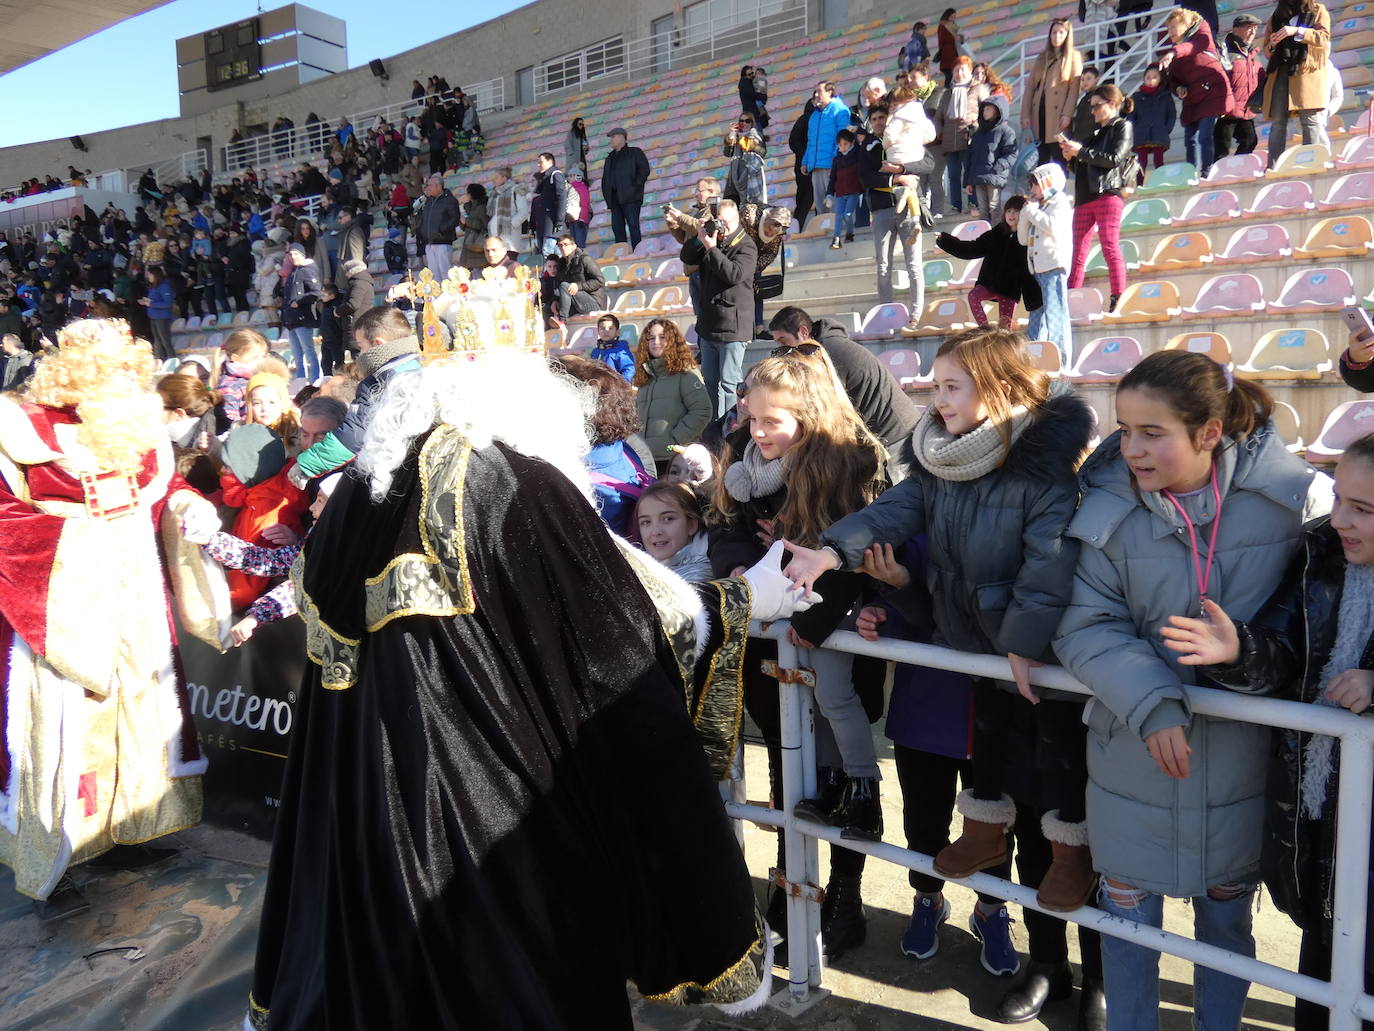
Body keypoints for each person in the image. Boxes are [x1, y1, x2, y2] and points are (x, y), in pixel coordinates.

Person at [244, 310, 826, 1028]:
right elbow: (615, 633)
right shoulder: (512, 475)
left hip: (365, 798)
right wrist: (740, 601)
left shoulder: (367, 484)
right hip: (486, 801)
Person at [1053, 350, 1331, 1031]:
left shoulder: (1293, 503)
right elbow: (1086, 625)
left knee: (1228, 930)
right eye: (1123, 429)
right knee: (1127, 934)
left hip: (1240, 766)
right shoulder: (1109, 504)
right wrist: (1151, 702)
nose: (1132, 448)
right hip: (1129, 760)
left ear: (1208, 431)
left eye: (1153, 432)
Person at [0, 320, 222, 914]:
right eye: (113, 367)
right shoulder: (21, 427)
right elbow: (7, 519)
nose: (126, 378)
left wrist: (188, 506)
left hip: (136, 594)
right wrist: (84, 539)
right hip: (64, 597)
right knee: (68, 719)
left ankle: (129, 829)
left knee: (138, 704)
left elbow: (164, 487)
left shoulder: (136, 425)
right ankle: (61, 852)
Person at [766, 306, 921, 483]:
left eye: (783, 342)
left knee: (899, 504)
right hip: (892, 434)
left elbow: (825, 415)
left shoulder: (827, 356)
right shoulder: (828, 347)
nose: (782, 351)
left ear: (803, 332)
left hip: (896, 437)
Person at [290, 305, 422, 482]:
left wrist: (307, 465)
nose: (360, 354)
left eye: (361, 346)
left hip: (401, 470)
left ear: (377, 344)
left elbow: (355, 434)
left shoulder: (378, 382)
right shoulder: (426, 366)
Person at [1062, 83, 1135, 314]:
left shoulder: (1122, 126)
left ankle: (1118, 297)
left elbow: (1114, 159)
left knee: (1109, 247)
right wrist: (1071, 158)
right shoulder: (1095, 133)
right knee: (1078, 253)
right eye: (1091, 106)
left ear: (1112, 104)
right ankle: (1070, 298)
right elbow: (1086, 166)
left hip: (1107, 194)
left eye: (1096, 105)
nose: (1092, 110)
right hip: (1084, 196)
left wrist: (1080, 152)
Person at [681, 198, 756, 419]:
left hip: (733, 326)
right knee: (710, 383)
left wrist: (711, 248)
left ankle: (731, 427)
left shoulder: (747, 245)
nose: (719, 227)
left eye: (723, 222)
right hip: (709, 325)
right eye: (717, 222)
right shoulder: (712, 239)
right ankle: (712, 428)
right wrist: (699, 236)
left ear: (736, 220)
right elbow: (686, 257)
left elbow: (733, 274)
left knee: (729, 383)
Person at [861, 102, 929, 332]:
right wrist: (896, 180)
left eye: (882, 117)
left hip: (908, 208)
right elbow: (865, 176)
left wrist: (900, 169)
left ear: (890, 119)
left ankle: (915, 314)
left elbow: (928, 162)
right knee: (883, 265)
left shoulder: (905, 136)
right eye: (875, 119)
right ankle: (886, 313)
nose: (879, 122)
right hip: (881, 210)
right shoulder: (868, 145)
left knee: (914, 264)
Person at [935, 196, 1042, 329]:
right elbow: (972, 249)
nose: (1012, 214)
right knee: (973, 296)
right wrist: (945, 240)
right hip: (989, 284)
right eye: (1008, 211)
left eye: (1016, 211)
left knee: (1004, 328)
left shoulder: (1028, 235)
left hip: (1009, 289)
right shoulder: (997, 232)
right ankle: (985, 331)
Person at [632, 318, 712, 475]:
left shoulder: (685, 372)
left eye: (662, 337)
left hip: (673, 459)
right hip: (646, 459)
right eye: (651, 338)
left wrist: (675, 440)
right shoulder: (645, 376)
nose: (656, 342)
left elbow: (702, 410)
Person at [1161, 6, 1233, 177]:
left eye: (1173, 27)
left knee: (1204, 136)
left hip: (1213, 92)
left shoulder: (1202, 31)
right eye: (1168, 28)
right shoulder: (1173, 48)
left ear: (1185, 24)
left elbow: (1193, 46)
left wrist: (1173, 53)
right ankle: (1190, 173)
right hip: (1192, 99)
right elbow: (1171, 80)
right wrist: (1177, 88)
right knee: (1190, 140)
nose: (1170, 31)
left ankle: (1207, 171)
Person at [1261, 0, 1332, 168]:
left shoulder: (1317, 9)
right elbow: (1266, 49)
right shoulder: (1276, 16)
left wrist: (1297, 31)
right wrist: (1273, 43)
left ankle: (1312, 163)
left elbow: (1324, 37)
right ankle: (1273, 167)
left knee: (1309, 119)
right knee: (1278, 122)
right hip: (1280, 70)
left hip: (1305, 70)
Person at [1018, 163, 1074, 359]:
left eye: (1035, 184)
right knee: (1036, 316)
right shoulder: (1037, 207)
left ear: (1046, 182)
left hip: (1052, 266)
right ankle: (1035, 358)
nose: (1032, 190)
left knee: (1055, 314)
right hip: (1035, 268)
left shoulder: (1060, 201)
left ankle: (1062, 359)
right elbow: (1022, 239)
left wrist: (1031, 212)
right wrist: (1025, 214)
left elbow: (1052, 226)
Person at [1021, 20, 1085, 165]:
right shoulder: (1042, 58)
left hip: (1058, 115)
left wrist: (1067, 114)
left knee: (1059, 157)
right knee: (1041, 160)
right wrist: (1025, 114)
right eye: (1054, 32)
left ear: (1067, 35)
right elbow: (1030, 87)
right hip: (1039, 114)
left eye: (1061, 32)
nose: (1056, 36)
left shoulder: (1073, 57)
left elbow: (1074, 89)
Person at [636, 480, 712, 582]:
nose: (655, 532)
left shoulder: (697, 578)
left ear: (691, 525)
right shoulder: (637, 568)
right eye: (646, 522)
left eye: (668, 519)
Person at [933, 58, 979, 218]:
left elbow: (986, 111)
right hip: (949, 141)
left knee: (970, 173)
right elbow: (938, 117)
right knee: (953, 175)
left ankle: (973, 203)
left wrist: (975, 128)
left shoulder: (977, 89)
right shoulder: (947, 93)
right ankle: (955, 205)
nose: (959, 73)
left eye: (963, 70)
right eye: (956, 70)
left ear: (970, 71)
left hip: (968, 139)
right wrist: (939, 131)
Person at [1215, 15, 1264, 158]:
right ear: (1235, 29)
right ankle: (1215, 176)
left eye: (1254, 29)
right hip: (1226, 111)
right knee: (1221, 150)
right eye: (1248, 28)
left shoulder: (1254, 53)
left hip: (1245, 111)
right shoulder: (1224, 49)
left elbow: (1260, 79)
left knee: (1250, 140)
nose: (1252, 32)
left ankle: (1235, 168)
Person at [801, 81, 851, 218]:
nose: (816, 94)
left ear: (829, 92)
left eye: (819, 91)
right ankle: (824, 233)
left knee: (834, 202)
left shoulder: (840, 110)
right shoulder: (814, 115)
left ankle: (838, 232)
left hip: (832, 165)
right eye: (815, 91)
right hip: (816, 166)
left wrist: (836, 157)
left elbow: (843, 137)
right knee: (820, 205)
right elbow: (811, 141)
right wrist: (805, 161)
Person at [966, 94, 1019, 219]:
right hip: (978, 178)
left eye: (989, 109)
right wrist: (968, 181)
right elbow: (970, 158)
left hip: (994, 178)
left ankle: (997, 236)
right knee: (983, 211)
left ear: (998, 111)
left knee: (994, 208)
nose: (985, 112)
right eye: (984, 109)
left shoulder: (1006, 131)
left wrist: (997, 168)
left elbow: (1011, 153)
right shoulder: (978, 134)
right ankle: (986, 236)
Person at [601, 127, 650, 249]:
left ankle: (637, 252)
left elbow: (644, 170)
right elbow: (605, 179)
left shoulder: (635, 152)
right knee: (617, 228)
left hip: (631, 198)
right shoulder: (609, 158)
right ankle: (622, 254)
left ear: (622, 137)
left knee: (633, 226)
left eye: (613, 137)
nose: (611, 140)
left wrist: (634, 188)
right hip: (615, 199)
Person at [545, 234, 606, 326]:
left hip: (592, 302)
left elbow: (600, 281)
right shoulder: (561, 263)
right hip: (574, 302)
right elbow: (559, 286)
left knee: (565, 286)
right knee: (549, 308)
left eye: (566, 244)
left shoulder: (585, 259)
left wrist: (578, 286)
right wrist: (555, 300)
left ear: (574, 246)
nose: (563, 248)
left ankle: (562, 321)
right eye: (560, 245)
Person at [282, 243, 322, 382]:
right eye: (291, 254)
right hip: (291, 320)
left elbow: (316, 292)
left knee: (309, 352)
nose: (293, 257)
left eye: (296, 254)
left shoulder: (306, 271)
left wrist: (298, 302)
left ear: (303, 255)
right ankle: (301, 381)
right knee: (297, 355)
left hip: (302, 318)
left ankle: (316, 379)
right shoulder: (294, 272)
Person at [1130, 65, 1178, 177]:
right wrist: (1135, 128)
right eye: (1148, 77)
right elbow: (1131, 115)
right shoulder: (1137, 97)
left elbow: (1171, 114)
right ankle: (1139, 185)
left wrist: (1166, 129)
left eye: (1155, 77)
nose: (1151, 80)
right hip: (1141, 134)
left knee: (1159, 160)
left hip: (1159, 133)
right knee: (1141, 162)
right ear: (1144, 79)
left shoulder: (1166, 96)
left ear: (1160, 78)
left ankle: (1160, 181)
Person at [214, 328, 270, 424]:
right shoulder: (230, 387)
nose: (261, 361)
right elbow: (229, 421)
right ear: (235, 358)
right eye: (255, 357)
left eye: (263, 356)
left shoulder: (258, 379)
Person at [416, 174, 461, 279]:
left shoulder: (450, 200)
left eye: (430, 185)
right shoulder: (428, 201)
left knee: (446, 273)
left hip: (443, 242)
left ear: (439, 186)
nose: (428, 188)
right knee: (433, 275)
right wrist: (422, 232)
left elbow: (454, 219)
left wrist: (440, 230)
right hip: (429, 243)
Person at [723, 113, 769, 206]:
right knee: (731, 204)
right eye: (741, 121)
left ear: (752, 123)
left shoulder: (756, 136)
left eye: (747, 121)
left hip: (751, 174)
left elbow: (762, 152)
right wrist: (732, 135)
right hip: (735, 175)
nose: (744, 123)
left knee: (752, 205)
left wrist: (750, 144)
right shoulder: (734, 137)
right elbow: (727, 153)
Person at [828, 130, 863, 248]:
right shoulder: (836, 160)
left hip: (853, 192)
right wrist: (829, 194)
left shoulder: (858, 155)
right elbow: (832, 178)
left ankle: (849, 232)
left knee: (847, 215)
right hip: (840, 193)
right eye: (840, 144)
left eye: (845, 144)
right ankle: (836, 238)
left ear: (852, 143)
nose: (842, 147)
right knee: (838, 215)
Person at [533, 151, 569, 257]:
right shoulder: (546, 177)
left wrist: (559, 220)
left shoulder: (556, 175)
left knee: (549, 253)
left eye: (541, 162)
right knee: (553, 253)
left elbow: (562, 198)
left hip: (552, 223)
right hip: (546, 223)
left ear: (550, 162)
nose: (538, 165)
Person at [140, 266, 176, 361]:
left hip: (162, 317)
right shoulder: (153, 286)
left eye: (150, 274)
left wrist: (151, 303)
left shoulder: (164, 286)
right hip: (153, 316)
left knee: (165, 340)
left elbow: (168, 303)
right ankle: (160, 360)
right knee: (157, 340)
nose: (148, 277)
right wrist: (147, 301)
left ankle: (173, 359)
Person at [589, 313, 636, 383]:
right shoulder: (595, 351)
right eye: (602, 328)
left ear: (617, 332)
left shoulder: (620, 351)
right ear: (598, 332)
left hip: (615, 388)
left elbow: (629, 369)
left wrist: (621, 385)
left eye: (610, 328)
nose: (606, 331)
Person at [458, 183, 490, 271]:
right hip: (469, 242)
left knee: (479, 271)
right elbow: (465, 228)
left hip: (477, 243)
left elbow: (483, 225)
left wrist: (466, 221)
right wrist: (462, 222)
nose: (466, 195)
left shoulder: (482, 207)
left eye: (468, 193)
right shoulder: (469, 207)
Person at [1069, 66, 1102, 143]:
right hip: (1080, 137)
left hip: (1092, 138)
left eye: (1089, 78)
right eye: (1082, 80)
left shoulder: (1100, 96)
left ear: (1097, 79)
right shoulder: (1083, 98)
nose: (1085, 82)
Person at [936, 9, 963, 87]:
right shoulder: (943, 25)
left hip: (955, 52)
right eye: (952, 16)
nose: (953, 18)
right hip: (947, 54)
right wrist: (954, 38)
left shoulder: (954, 26)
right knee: (949, 77)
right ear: (947, 16)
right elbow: (942, 39)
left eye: (954, 17)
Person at [567, 171, 592, 249]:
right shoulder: (570, 189)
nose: (569, 178)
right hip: (572, 220)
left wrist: (582, 218)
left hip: (579, 220)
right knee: (574, 245)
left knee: (580, 244)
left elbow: (584, 204)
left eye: (571, 176)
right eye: (569, 176)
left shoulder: (582, 188)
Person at [564, 117, 590, 183]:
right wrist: (572, 155)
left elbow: (586, 145)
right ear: (576, 124)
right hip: (574, 158)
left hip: (582, 158)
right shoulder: (571, 133)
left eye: (582, 124)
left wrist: (586, 149)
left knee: (582, 174)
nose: (581, 126)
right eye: (580, 124)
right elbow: (567, 144)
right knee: (574, 175)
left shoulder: (583, 134)